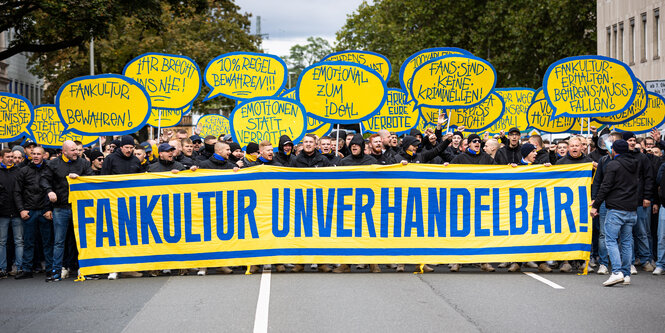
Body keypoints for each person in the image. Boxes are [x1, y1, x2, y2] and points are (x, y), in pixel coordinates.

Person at [40, 140, 92, 281]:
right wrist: (49, 191)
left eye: (77, 149)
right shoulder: (53, 164)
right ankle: (57, 271)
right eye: (73, 150)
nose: (76, 152)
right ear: (64, 152)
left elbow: (92, 179)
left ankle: (86, 269)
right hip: (60, 208)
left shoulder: (84, 163)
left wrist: (80, 178)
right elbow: (44, 180)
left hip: (79, 207)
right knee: (59, 241)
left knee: (83, 240)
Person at [591, 140, 639, 286]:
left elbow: (605, 187)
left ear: (614, 150)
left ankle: (616, 272)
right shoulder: (635, 163)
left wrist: (596, 205)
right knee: (626, 242)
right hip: (631, 209)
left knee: (610, 240)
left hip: (616, 208)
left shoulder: (613, 164)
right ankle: (626, 274)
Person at [449, 133, 496, 273]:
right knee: (462, 233)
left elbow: (499, 171)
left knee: (483, 233)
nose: (477, 143)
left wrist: (511, 168)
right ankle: (457, 261)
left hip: (482, 201)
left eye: (479, 141)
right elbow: (448, 174)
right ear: (468, 144)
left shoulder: (486, 158)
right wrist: (446, 167)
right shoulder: (460, 158)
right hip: (464, 202)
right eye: (474, 141)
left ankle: (484, 261)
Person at [13, 146, 53, 280]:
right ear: (30, 155)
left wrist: (49, 209)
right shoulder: (23, 171)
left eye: (38, 154)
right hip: (29, 211)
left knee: (47, 242)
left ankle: (50, 269)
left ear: (44, 155)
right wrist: (21, 210)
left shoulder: (49, 169)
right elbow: (17, 192)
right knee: (28, 242)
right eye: (33, 154)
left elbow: (54, 189)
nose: (35, 156)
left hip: (44, 211)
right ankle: (26, 269)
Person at [622, 131, 656, 273]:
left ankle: (645, 260)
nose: (631, 142)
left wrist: (647, 197)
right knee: (627, 234)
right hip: (624, 202)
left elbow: (649, 178)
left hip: (640, 201)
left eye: (633, 140)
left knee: (642, 232)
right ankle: (629, 261)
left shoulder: (642, 158)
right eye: (628, 140)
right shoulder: (620, 157)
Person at [591, 132, 623, 275]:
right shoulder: (604, 160)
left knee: (623, 235)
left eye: (612, 142)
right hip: (604, 202)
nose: (609, 144)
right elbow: (598, 182)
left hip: (621, 202)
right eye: (608, 141)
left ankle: (624, 264)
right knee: (604, 234)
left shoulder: (628, 161)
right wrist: (595, 200)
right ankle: (603, 263)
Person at [0, 148, 23, 278]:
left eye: (12, 157)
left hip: (16, 212)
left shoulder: (18, 172)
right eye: (8, 156)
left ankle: (19, 267)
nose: (11, 159)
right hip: (2, 213)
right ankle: (2, 268)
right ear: (1, 158)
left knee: (19, 241)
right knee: (2, 242)